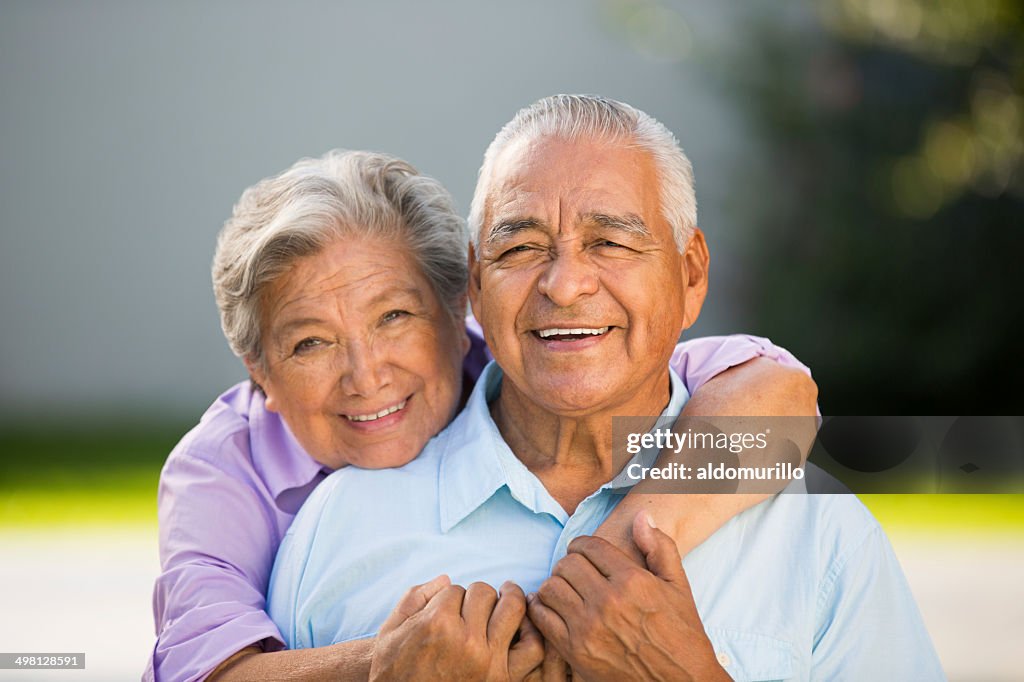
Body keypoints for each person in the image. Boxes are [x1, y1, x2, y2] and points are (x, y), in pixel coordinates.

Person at [267, 95, 944, 680]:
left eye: (610, 242)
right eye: (521, 247)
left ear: (690, 275)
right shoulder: (340, 525)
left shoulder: (820, 536)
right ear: (475, 285)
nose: (565, 284)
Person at [147, 150, 818, 682]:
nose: (367, 373)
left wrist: (613, 556)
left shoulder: (528, 359)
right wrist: (388, 666)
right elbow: (201, 670)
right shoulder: (222, 469)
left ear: (458, 312)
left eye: (395, 317)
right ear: (259, 373)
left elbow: (779, 399)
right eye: (310, 343)